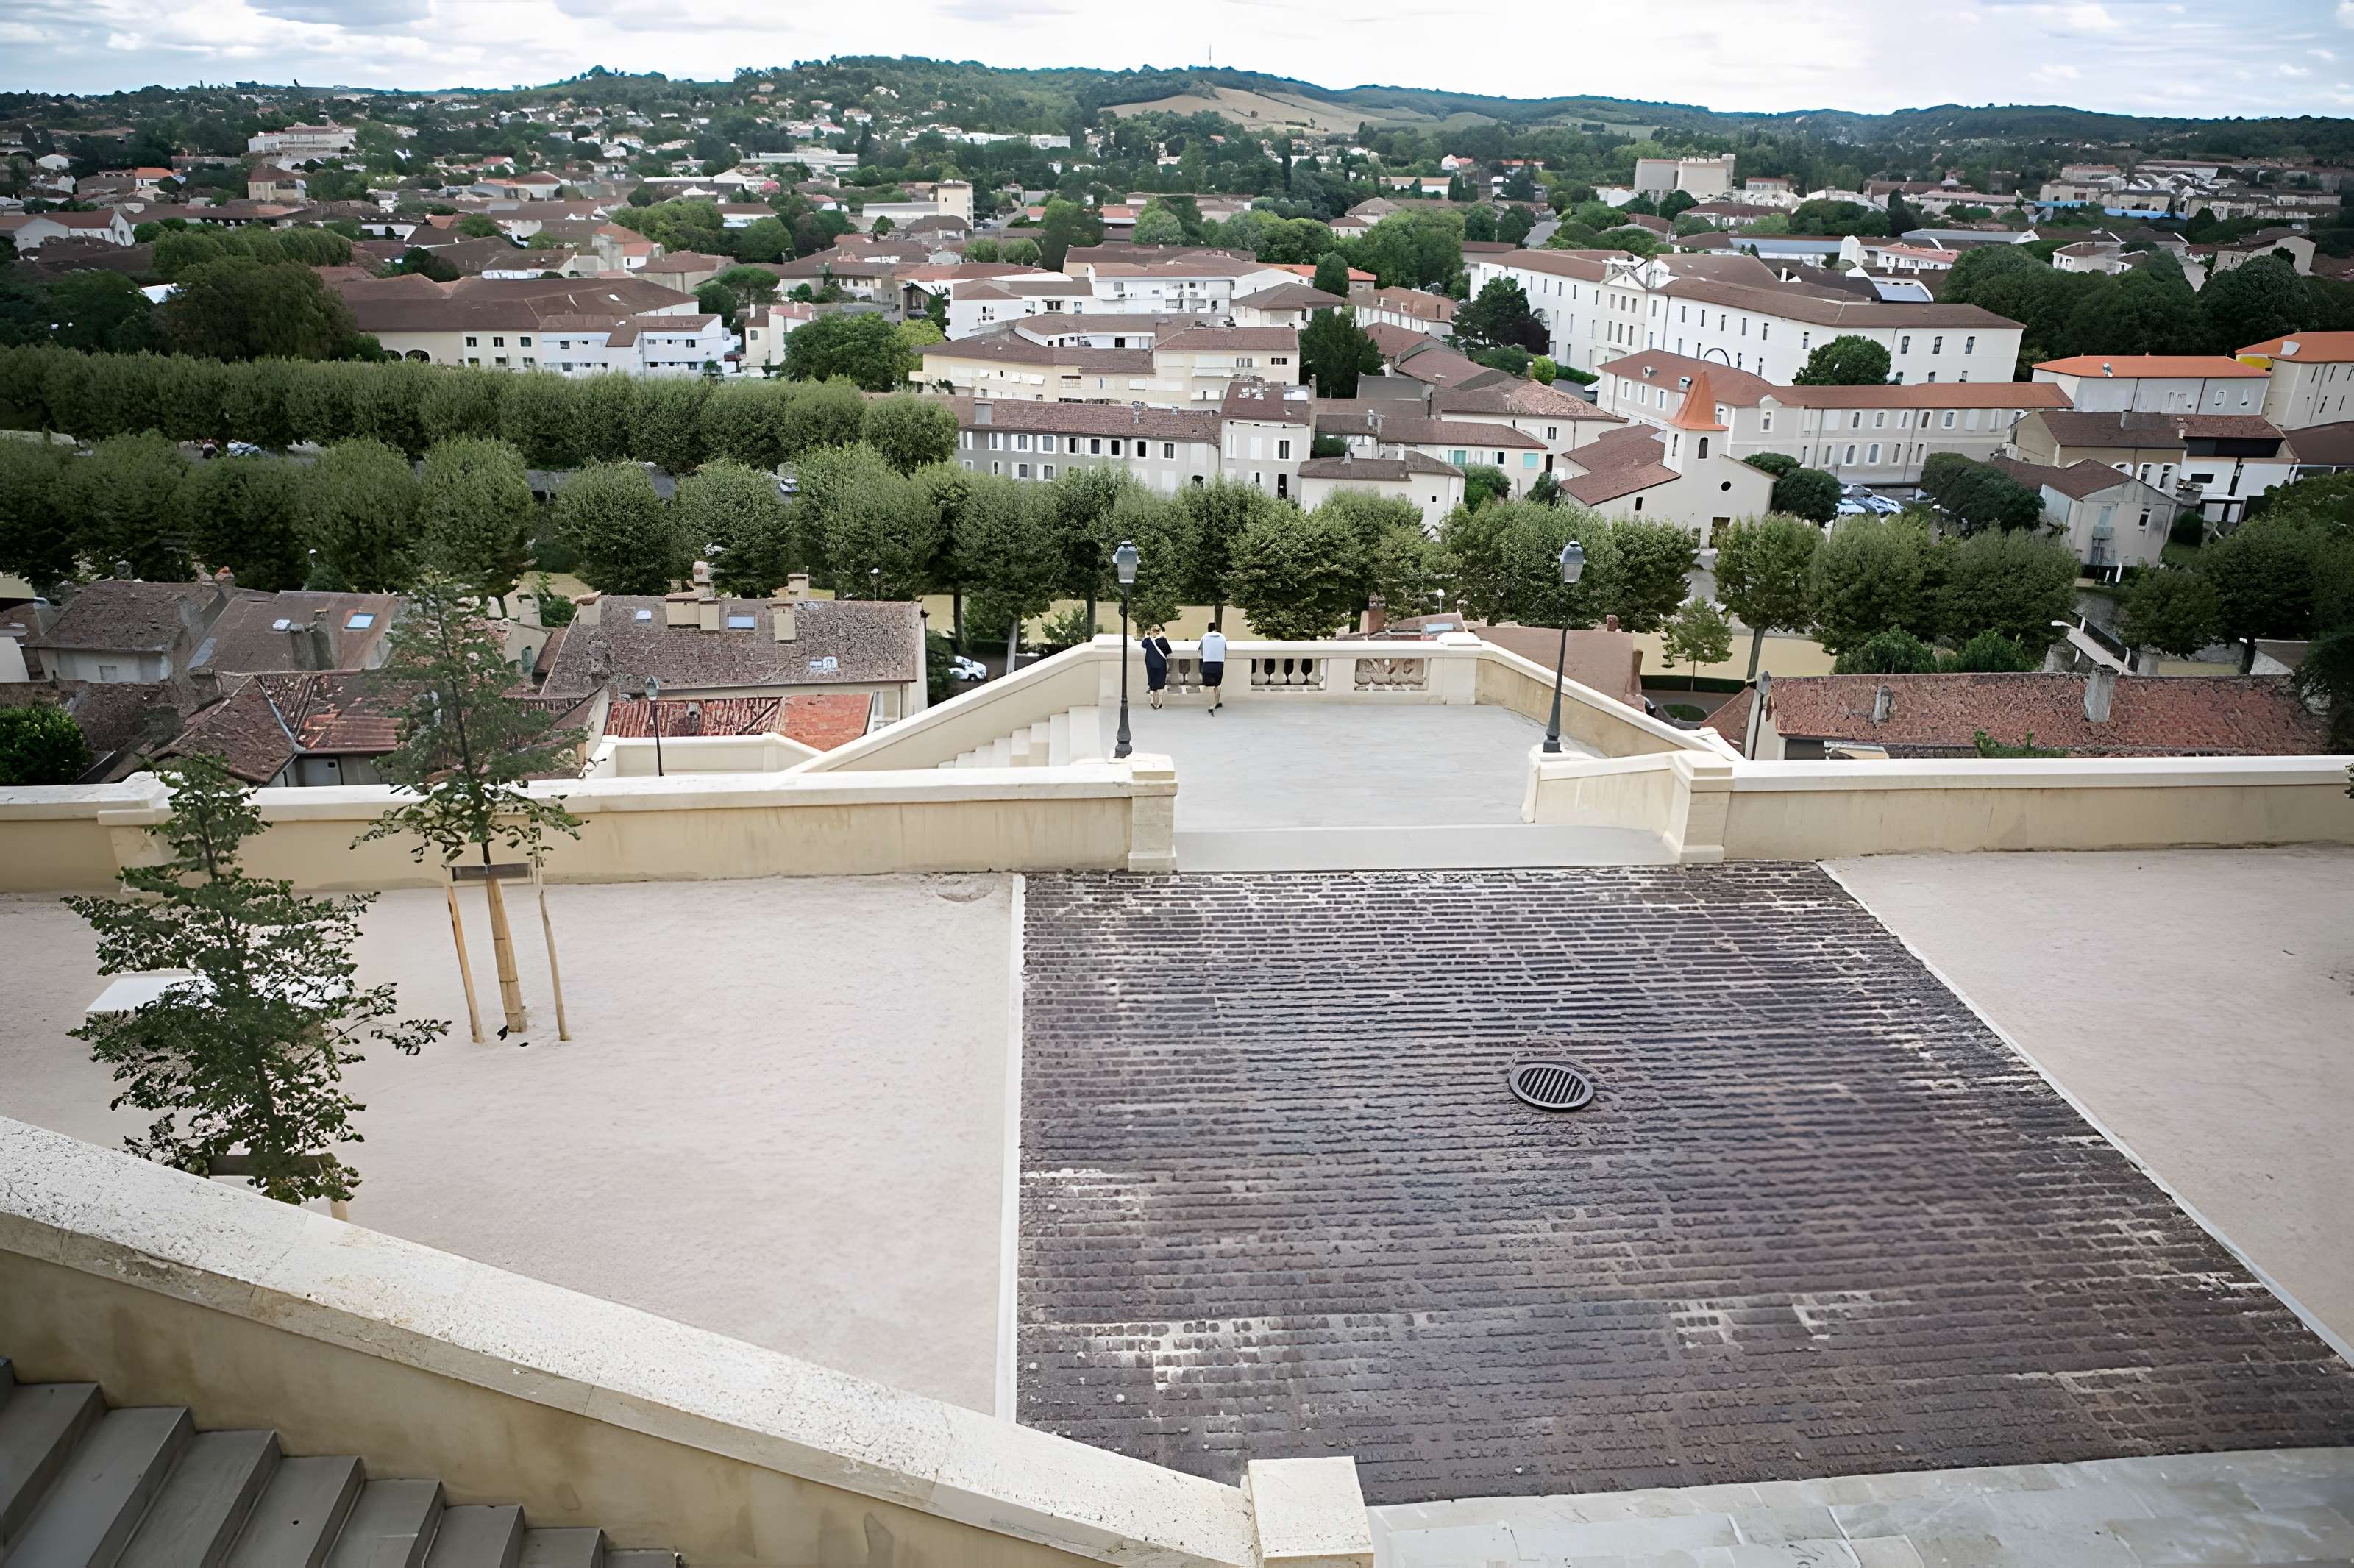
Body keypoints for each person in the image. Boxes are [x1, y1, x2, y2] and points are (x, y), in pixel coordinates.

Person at [1198, 623, 1228, 715]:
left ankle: (1211, 705)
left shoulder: (1205, 636)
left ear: (1208, 629)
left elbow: (1201, 649)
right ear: (1215, 628)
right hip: (1219, 662)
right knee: (1218, 684)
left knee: (1208, 685)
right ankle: (1217, 702)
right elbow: (1225, 649)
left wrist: (1205, 657)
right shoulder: (1222, 637)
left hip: (1208, 662)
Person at [1142, 626, 1173, 709]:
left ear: (1151, 631)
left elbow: (1143, 645)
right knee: (1161, 683)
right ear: (1159, 631)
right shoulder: (1163, 641)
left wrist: (1148, 636)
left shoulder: (1148, 641)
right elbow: (1168, 651)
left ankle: (1152, 700)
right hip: (1161, 664)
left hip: (1150, 665)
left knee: (1152, 682)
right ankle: (1160, 701)